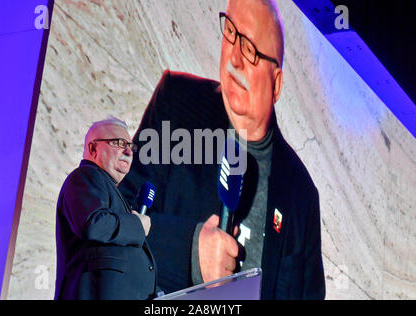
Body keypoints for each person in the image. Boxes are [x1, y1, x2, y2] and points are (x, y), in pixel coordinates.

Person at [119, 0, 325, 299]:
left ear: (276, 84)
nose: (235, 59)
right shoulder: (178, 105)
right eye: (231, 32)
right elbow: (108, 222)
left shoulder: (301, 195)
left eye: (251, 49)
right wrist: (189, 249)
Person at [54, 117, 157, 300]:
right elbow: (95, 224)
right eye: (118, 143)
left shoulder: (109, 190)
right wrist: (137, 225)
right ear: (93, 149)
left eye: (131, 146)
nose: (128, 151)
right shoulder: (84, 177)